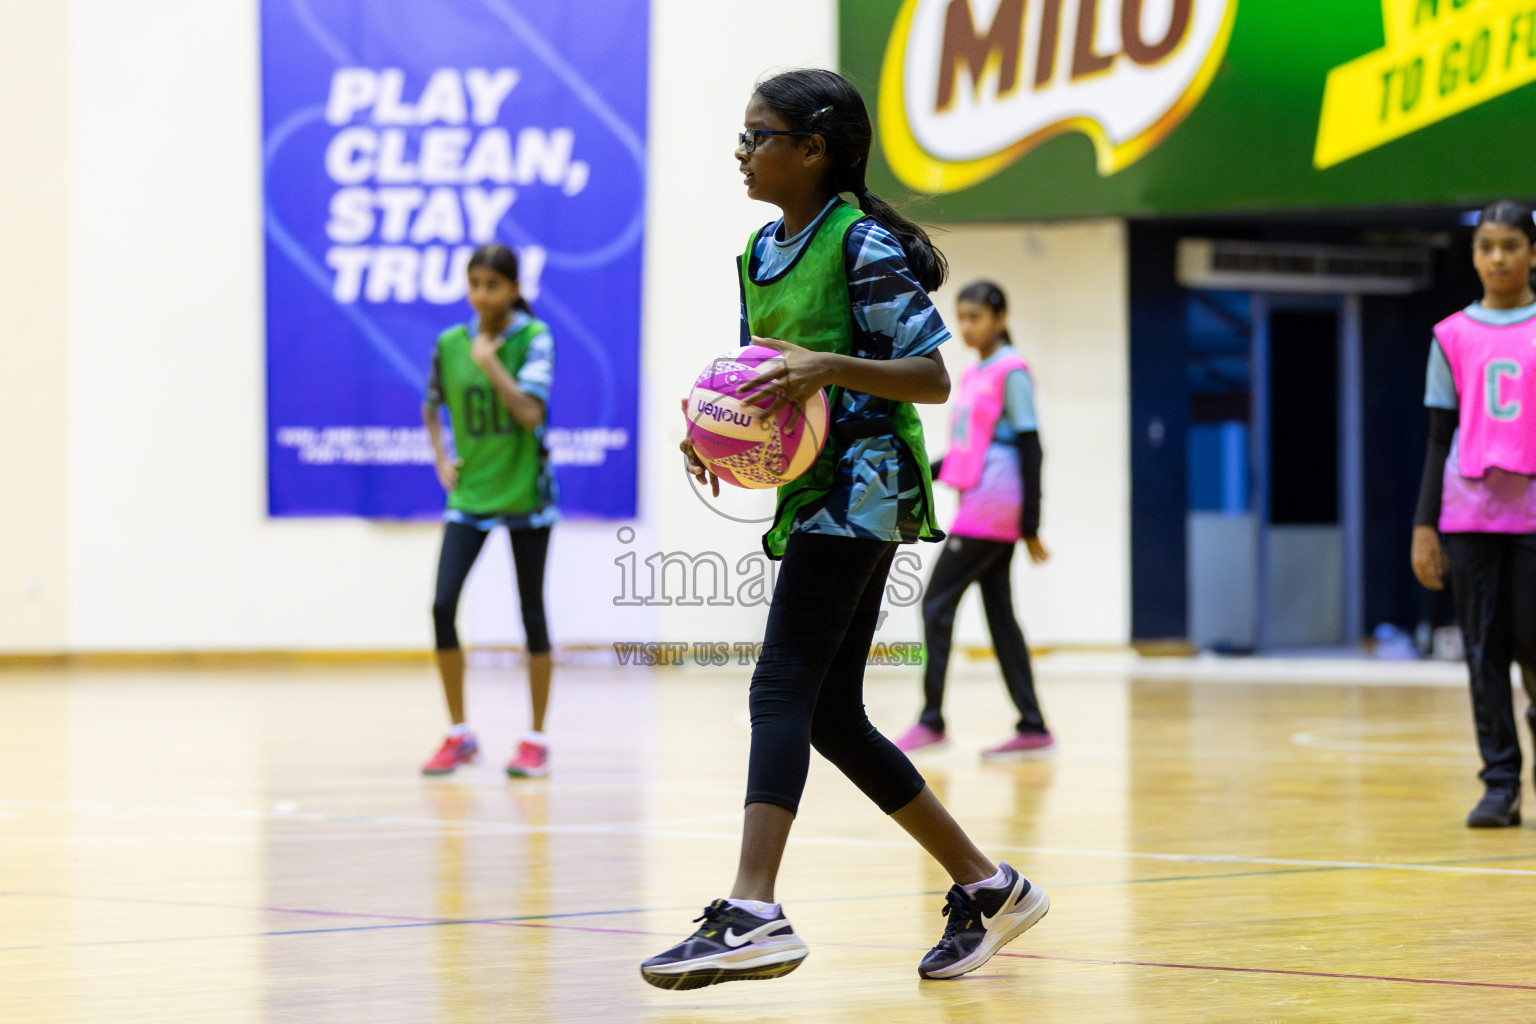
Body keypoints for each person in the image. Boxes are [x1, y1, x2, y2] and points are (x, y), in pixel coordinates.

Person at [640, 69, 1048, 991]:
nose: (742, 152)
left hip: (866, 483)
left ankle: (752, 909)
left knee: (780, 681)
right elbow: (760, 378)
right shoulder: (757, 251)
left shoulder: (861, 244)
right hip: (812, 488)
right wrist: (714, 433)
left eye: (759, 136)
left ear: (814, 148)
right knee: (832, 714)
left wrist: (827, 364)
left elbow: (931, 377)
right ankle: (991, 888)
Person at [1411, 199, 1536, 828]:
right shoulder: (1451, 335)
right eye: (1486, 245)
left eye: (1510, 245)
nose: (1497, 257)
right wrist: (1423, 525)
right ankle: (1500, 782)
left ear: (1532, 253)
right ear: (1474, 254)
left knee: (1534, 648)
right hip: (1470, 516)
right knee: (1483, 651)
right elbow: (1440, 435)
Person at [893, 281, 1054, 759]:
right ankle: (1033, 726)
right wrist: (924, 472)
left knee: (935, 604)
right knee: (1001, 617)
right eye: (960, 317)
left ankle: (931, 720)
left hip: (994, 503)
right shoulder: (976, 372)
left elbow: (1030, 445)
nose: (965, 327)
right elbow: (968, 449)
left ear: (1000, 318)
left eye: (974, 317)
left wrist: (1030, 523)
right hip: (982, 497)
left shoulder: (1011, 372)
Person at [419, 243, 558, 779]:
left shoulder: (535, 339)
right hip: (471, 493)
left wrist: (491, 362)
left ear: (515, 289)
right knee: (440, 605)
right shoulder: (450, 343)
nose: (482, 295)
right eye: (474, 283)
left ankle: (535, 740)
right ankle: (459, 734)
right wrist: (440, 456)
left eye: (493, 285)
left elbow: (528, 413)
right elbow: (431, 403)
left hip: (527, 495)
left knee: (531, 612)